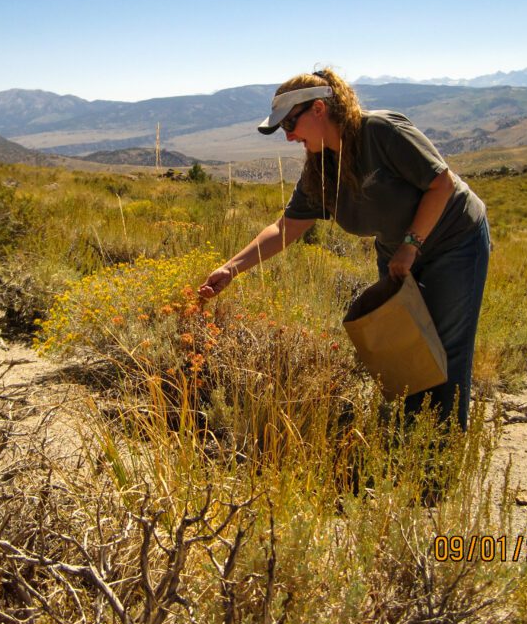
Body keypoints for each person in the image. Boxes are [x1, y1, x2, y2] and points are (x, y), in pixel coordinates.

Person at [198, 68, 490, 429]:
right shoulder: (320, 169)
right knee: (407, 348)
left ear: (318, 109)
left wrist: (411, 246)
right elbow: (285, 228)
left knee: (446, 351)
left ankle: (440, 458)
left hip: (454, 240)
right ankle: (413, 438)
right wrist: (231, 269)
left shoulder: (381, 131)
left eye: (291, 123)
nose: (289, 136)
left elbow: (441, 185)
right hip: (398, 254)